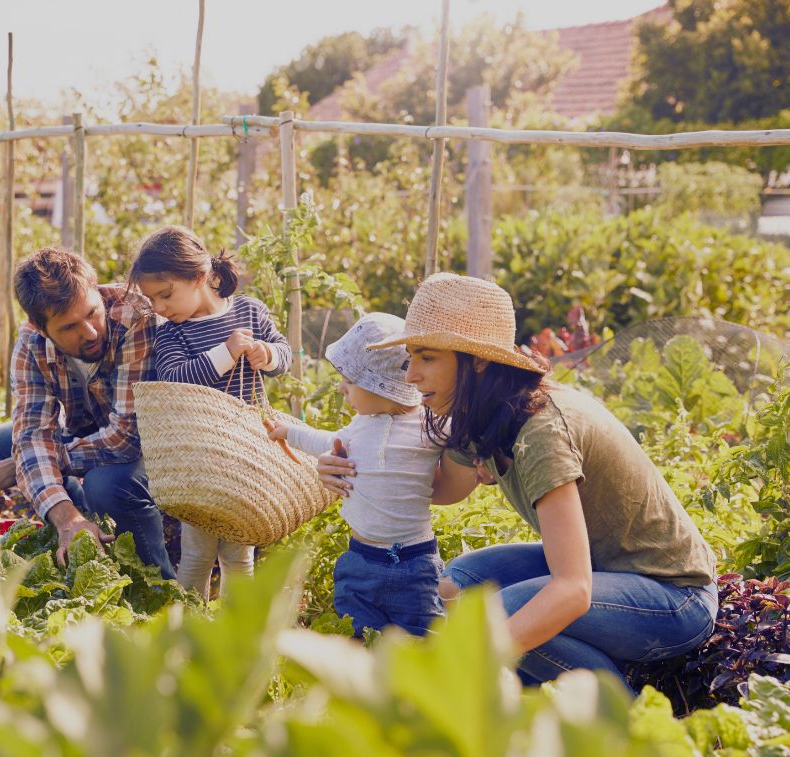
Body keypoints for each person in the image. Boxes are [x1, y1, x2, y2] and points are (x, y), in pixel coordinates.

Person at [321, 272, 718, 687]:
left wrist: (462, 668)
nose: (410, 376)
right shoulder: (481, 416)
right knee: (461, 585)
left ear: (476, 359)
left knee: (501, 615)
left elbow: (572, 589)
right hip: (608, 570)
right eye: (411, 357)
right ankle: (538, 690)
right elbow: (442, 489)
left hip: (674, 596)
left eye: (427, 357)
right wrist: (348, 466)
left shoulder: (542, 432)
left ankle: (619, 714)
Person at [0, 247, 175, 578]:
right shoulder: (30, 345)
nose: (91, 332)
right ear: (40, 327)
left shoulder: (134, 316)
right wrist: (66, 515)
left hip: (150, 444)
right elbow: (32, 432)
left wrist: (28, 463)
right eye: (69, 327)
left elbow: (125, 438)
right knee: (4, 441)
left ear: (98, 294)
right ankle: (84, 545)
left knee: (106, 484)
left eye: (92, 313)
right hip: (96, 435)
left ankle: (159, 585)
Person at [128, 225, 292, 598]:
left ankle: (236, 631)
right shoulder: (172, 334)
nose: (160, 308)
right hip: (199, 459)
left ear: (200, 277)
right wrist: (226, 352)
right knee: (197, 553)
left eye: (165, 295)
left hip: (245, 452)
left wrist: (267, 355)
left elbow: (285, 354)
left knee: (239, 552)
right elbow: (174, 378)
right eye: (152, 300)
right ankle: (188, 630)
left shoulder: (249, 311)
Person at [267, 313, 444, 638]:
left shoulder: (431, 427)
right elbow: (323, 440)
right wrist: (289, 432)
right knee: (356, 635)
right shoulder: (358, 427)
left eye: (351, 381)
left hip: (415, 564)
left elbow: (465, 436)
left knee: (422, 639)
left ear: (384, 387)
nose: (341, 388)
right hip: (361, 558)